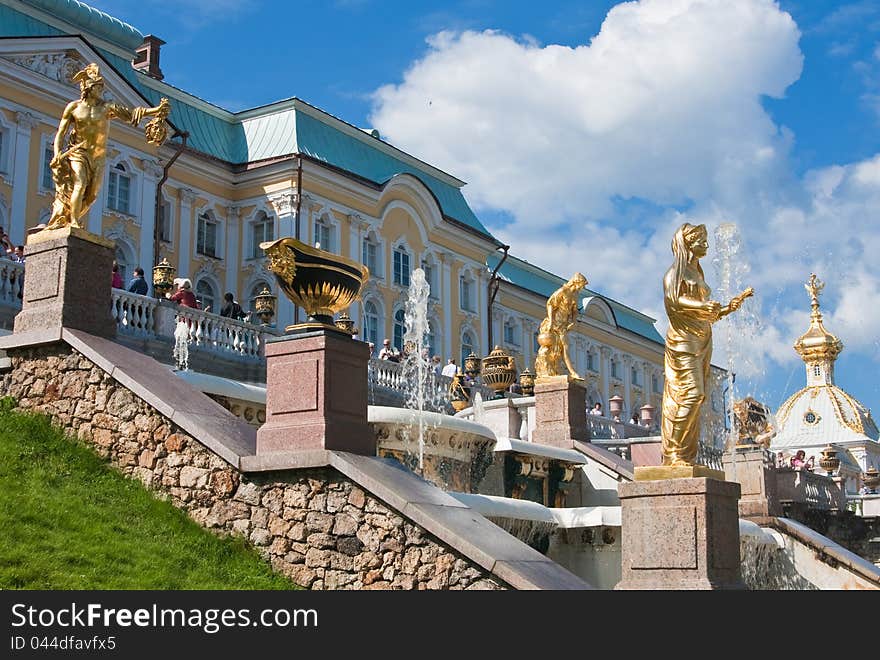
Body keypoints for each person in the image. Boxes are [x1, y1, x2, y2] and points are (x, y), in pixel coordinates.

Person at [660, 223, 753, 467]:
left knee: (698, 400)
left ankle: (686, 456)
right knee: (693, 394)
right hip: (683, 342)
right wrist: (702, 306)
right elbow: (673, 302)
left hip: (702, 339)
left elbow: (706, 312)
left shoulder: (697, 274)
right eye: (701, 240)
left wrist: (728, 308)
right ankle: (673, 454)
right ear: (688, 243)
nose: (707, 245)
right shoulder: (674, 274)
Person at [43, 63, 169, 231]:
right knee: (79, 183)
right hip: (78, 152)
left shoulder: (106, 108)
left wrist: (156, 110)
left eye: (101, 88)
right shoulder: (74, 108)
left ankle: (68, 216)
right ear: (88, 88)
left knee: (92, 195)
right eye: (98, 87)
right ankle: (73, 221)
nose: (101, 91)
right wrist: (57, 153)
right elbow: (61, 133)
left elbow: (131, 114)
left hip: (98, 157)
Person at [535, 272, 588, 379]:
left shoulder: (574, 295)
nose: (581, 288)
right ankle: (570, 372)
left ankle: (565, 371)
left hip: (563, 327)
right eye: (581, 285)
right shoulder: (562, 291)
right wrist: (550, 321)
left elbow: (575, 311)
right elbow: (550, 304)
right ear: (576, 282)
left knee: (563, 348)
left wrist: (573, 321)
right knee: (558, 349)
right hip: (554, 324)